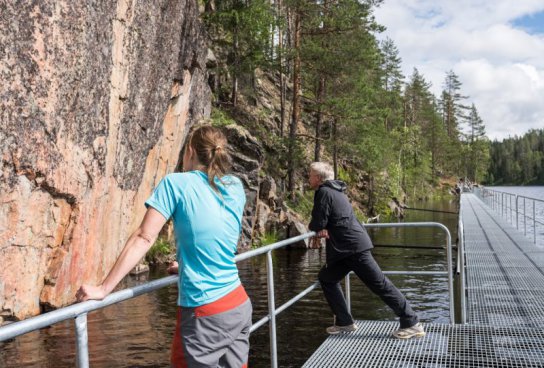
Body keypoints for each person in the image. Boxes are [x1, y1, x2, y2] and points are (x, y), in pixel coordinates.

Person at [76, 125, 251, 367]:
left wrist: (104, 288)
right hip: (238, 303)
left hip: (204, 310)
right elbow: (218, 235)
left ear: (189, 151)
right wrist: (188, 265)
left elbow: (144, 237)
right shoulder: (235, 186)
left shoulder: (175, 183)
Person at [307, 162, 425, 339]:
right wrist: (323, 227)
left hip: (352, 248)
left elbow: (317, 222)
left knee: (380, 284)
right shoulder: (337, 191)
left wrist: (319, 227)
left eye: (310, 175)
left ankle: (412, 321)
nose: (308, 178)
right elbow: (327, 220)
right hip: (345, 250)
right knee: (327, 278)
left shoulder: (324, 192)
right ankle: (344, 321)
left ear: (317, 178)